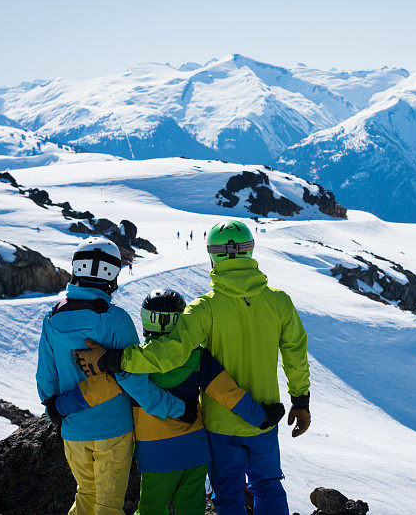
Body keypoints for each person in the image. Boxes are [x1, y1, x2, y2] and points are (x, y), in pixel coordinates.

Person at [74, 220, 311, 515]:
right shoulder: (279, 301)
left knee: (228, 491)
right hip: (263, 413)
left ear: (213, 255)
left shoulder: (204, 308)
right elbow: (295, 355)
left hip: (219, 423)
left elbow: (168, 354)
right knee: (268, 485)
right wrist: (300, 402)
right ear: (250, 251)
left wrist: (112, 360)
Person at [61, 288, 285, 515]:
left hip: (156, 456)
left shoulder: (134, 361)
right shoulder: (198, 357)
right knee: (191, 509)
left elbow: (101, 389)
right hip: (195, 450)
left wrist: (60, 405)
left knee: (151, 509)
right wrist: (261, 416)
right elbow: (228, 392)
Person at [37, 237, 190, 515]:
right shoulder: (117, 319)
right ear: (113, 276)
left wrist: (58, 410)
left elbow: (45, 379)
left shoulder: (53, 317)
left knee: (85, 495)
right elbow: (133, 379)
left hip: (73, 429)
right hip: (114, 430)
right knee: (109, 507)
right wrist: (178, 409)